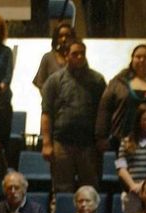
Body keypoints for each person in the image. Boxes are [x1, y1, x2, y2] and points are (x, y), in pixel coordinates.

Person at [40, 39, 106, 194]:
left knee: (90, 189)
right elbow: (46, 113)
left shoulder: (97, 80)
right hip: (62, 144)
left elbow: (104, 112)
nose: (79, 57)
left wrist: (102, 138)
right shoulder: (54, 80)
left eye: (82, 54)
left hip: (89, 145)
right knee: (62, 188)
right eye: (75, 54)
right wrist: (47, 143)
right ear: (66, 55)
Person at [32, 21, 75, 92]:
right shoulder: (48, 58)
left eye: (67, 36)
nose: (64, 39)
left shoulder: (77, 57)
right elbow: (40, 83)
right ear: (56, 38)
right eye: (60, 36)